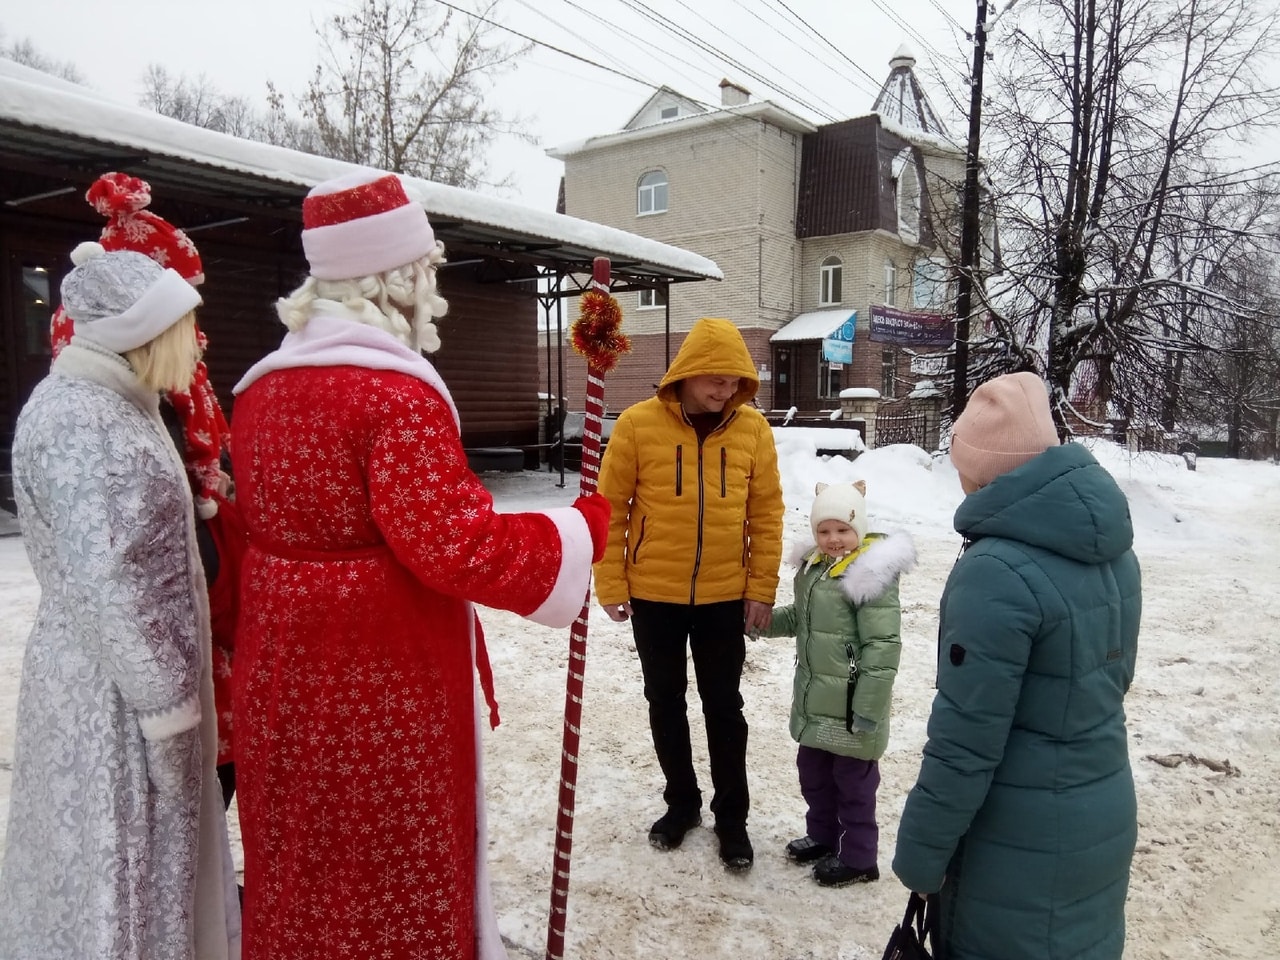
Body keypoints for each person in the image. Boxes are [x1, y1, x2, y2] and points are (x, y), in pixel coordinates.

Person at [229, 169, 608, 960]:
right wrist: (577, 532)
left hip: (284, 674)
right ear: (395, 276)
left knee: (306, 858)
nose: (433, 287)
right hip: (378, 681)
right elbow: (454, 544)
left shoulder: (261, 391)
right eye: (425, 269)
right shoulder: (392, 396)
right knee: (385, 867)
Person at [0, 244, 241, 958]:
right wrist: (168, 719)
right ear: (139, 332)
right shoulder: (89, 423)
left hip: (115, 687)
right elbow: (114, 585)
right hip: (117, 704)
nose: (194, 348)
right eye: (182, 331)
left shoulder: (113, 406)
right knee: (124, 871)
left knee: (134, 871)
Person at [892, 372, 1141, 959]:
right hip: (1100, 810)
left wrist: (921, 855)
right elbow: (1112, 680)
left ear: (978, 467)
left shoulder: (996, 571)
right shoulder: (1111, 550)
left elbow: (966, 741)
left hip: (1017, 835)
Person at [49, 170, 245, 811]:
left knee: (211, 770)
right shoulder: (108, 415)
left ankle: (205, 898)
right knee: (184, 785)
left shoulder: (139, 393)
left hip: (184, 628)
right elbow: (115, 573)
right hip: (156, 657)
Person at [594, 316, 785, 873]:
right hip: (654, 594)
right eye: (715, 380)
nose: (725, 392)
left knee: (726, 708)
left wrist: (761, 588)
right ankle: (681, 805)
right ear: (689, 372)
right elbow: (611, 511)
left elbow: (767, 514)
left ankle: (733, 820)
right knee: (666, 702)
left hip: (726, 595)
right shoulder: (636, 425)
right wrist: (611, 581)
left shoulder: (752, 430)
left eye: (734, 382)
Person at [762, 480, 915, 887]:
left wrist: (868, 709)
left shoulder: (869, 576)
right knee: (814, 775)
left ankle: (860, 858)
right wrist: (761, 622)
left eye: (843, 530)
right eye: (824, 530)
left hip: (851, 708)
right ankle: (826, 836)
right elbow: (800, 620)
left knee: (854, 786)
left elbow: (882, 647)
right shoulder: (814, 569)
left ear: (859, 529)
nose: (833, 539)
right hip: (816, 703)